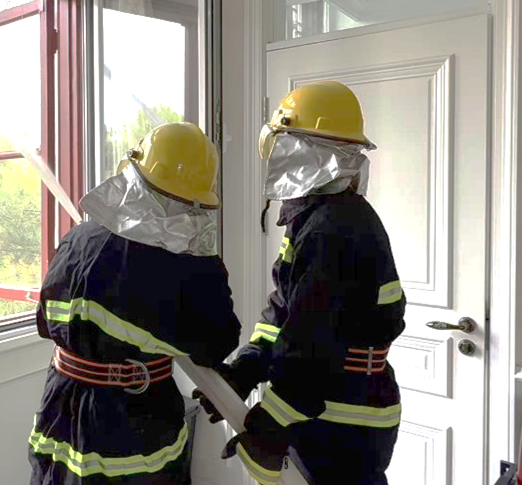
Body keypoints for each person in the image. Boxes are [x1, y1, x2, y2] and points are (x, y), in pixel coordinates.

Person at [196, 81, 407, 485]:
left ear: (309, 152)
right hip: (332, 406)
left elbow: (314, 342)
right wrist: (246, 369)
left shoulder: (334, 229)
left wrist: (272, 420)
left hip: (343, 419)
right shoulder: (316, 217)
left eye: (283, 143)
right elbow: (284, 313)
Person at [28, 121, 242, 485]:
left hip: (60, 404)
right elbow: (218, 344)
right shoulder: (191, 266)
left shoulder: (77, 238)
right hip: (136, 418)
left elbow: (45, 325)